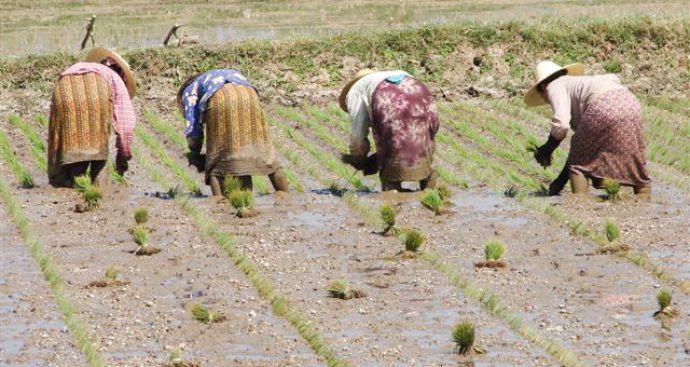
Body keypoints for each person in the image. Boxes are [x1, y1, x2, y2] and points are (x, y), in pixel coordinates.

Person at [524, 61, 652, 198]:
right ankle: (643, 195)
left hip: (602, 105)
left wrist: (546, 149)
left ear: (543, 88)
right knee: (633, 158)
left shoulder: (554, 85)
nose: (547, 100)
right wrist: (559, 183)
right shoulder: (579, 83)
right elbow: (581, 149)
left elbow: (561, 125)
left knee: (579, 166)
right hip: (631, 104)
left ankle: (581, 202)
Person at [177, 69, 289, 196]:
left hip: (219, 97)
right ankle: (284, 194)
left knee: (216, 158)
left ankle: (220, 200)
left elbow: (193, 127)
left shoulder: (189, 91)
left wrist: (195, 152)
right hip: (250, 95)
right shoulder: (222, 74)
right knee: (265, 153)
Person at [48, 48, 136, 187]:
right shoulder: (115, 77)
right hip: (97, 90)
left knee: (71, 143)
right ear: (120, 72)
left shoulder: (79, 67)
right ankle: (96, 187)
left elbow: (55, 126)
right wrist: (123, 156)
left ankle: (63, 181)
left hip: (63, 86)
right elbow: (126, 124)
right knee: (97, 153)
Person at [339, 69, 439, 191]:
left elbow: (358, 134)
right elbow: (433, 123)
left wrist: (358, 158)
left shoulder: (356, 90)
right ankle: (429, 193)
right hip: (419, 89)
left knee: (389, 152)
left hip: (385, 96)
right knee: (424, 145)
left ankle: (392, 196)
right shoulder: (400, 74)